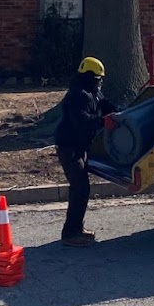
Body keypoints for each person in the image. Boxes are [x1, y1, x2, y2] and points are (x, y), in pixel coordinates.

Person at [54, 56, 115, 247]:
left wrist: (122, 114)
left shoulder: (93, 92)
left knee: (80, 189)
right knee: (80, 188)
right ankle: (70, 233)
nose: (100, 82)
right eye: (98, 78)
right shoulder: (78, 95)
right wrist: (102, 122)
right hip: (68, 147)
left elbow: (106, 106)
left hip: (78, 146)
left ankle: (76, 229)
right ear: (89, 77)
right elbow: (81, 120)